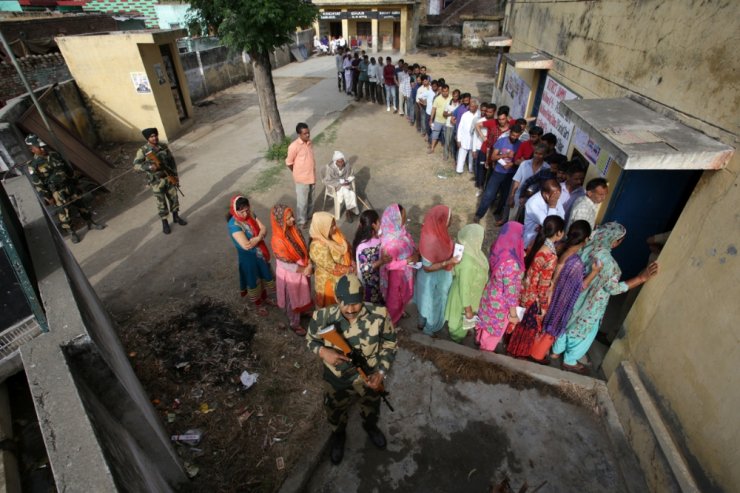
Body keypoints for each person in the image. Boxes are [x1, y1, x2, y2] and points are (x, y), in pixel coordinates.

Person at [306, 274, 397, 465]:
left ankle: (370, 426)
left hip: (370, 376)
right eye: (344, 303)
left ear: (363, 298)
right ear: (337, 299)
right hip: (337, 379)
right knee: (335, 410)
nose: (350, 309)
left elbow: (390, 343)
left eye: (355, 303)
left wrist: (380, 373)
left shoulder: (380, 315)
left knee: (371, 405)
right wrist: (323, 351)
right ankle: (338, 436)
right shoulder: (322, 317)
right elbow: (310, 340)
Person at [552, 223, 659, 374]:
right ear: (615, 241)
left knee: (566, 322)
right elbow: (613, 289)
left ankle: (556, 351)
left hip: (572, 297)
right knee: (582, 332)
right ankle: (569, 361)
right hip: (591, 305)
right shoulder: (609, 264)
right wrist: (641, 278)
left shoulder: (585, 245)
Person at [529, 220, 601, 362]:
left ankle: (531, 349)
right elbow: (579, 287)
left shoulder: (559, 247)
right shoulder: (576, 264)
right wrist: (594, 273)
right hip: (558, 302)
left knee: (539, 326)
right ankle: (536, 355)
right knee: (550, 329)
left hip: (546, 295)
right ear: (586, 239)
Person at [25, 134, 105, 243]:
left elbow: (67, 170)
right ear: (32, 149)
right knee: (64, 214)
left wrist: (75, 182)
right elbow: (38, 184)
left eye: (43, 146)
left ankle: (91, 223)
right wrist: (48, 197)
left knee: (81, 205)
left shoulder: (54, 155)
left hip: (69, 185)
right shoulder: (33, 165)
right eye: (39, 147)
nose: (43, 149)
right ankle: (72, 232)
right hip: (57, 192)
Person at [507, 215, 564, 358]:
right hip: (534, 299)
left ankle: (510, 346)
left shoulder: (537, 244)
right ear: (558, 233)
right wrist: (544, 306)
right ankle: (517, 353)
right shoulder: (550, 256)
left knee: (518, 324)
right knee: (527, 330)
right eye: (563, 231)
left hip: (524, 292)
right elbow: (543, 285)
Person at [475, 222, 525, 352]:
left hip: (490, 294)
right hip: (501, 304)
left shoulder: (498, 248)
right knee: (492, 333)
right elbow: (510, 292)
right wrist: (513, 314)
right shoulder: (511, 264)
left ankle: (480, 341)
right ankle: (484, 353)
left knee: (486, 324)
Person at [415, 205, 460, 337]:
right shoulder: (433, 240)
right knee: (433, 305)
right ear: (442, 220)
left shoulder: (430, 230)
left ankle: (421, 322)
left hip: (426, 279)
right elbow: (427, 267)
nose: (451, 221)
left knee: (425, 302)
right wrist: (448, 262)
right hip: (433, 279)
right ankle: (429, 330)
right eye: (449, 218)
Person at [133, 128, 187, 235]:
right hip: (156, 181)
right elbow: (136, 166)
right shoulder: (143, 150)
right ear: (148, 138)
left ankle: (176, 217)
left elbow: (172, 161)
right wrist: (149, 166)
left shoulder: (163, 146)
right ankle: (165, 222)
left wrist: (175, 176)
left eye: (155, 135)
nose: (155, 138)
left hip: (169, 177)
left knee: (174, 198)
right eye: (152, 136)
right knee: (161, 202)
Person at [271, 203, 313, 336]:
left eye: (292, 216)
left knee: (303, 294)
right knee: (293, 300)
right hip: (291, 274)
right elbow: (285, 264)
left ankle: (303, 311)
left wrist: (309, 263)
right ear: (280, 221)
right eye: (288, 219)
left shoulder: (294, 230)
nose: (293, 220)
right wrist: (304, 269)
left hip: (302, 268)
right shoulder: (277, 240)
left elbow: (304, 249)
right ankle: (294, 323)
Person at [227, 195, 274, 314]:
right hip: (249, 259)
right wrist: (260, 237)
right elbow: (246, 245)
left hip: (260, 255)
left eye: (246, 210)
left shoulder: (251, 214)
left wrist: (257, 238)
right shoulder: (234, 225)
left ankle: (265, 297)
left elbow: (264, 228)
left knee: (263, 276)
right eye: (241, 211)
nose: (245, 214)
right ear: (234, 210)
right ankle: (258, 305)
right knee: (254, 281)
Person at [444, 224, 489, 343]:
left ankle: (461, 334)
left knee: (463, 321)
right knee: (458, 321)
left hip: (470, 296)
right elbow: (464, 288)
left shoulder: (474, 252)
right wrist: (468, 309)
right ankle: (456, 341)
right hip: (463, 299)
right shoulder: (467, 264)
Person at [474, 124, 523, 223]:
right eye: (513, 135)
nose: (514, 137)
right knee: (489, 194)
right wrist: (505, 155)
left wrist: (512, 164)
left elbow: (520, 160)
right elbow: (493, 157)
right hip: (498, 172)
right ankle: (479, 214)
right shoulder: (501, 141)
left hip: (510, 174)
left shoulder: (520, 145)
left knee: (504, 196)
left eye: (517, 136)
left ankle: (497, 213)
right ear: (510, 133)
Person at [379, 204, 418, 325]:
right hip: (397, 276)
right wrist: (407, 261)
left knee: (405, 295)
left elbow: (409, 243)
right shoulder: (390, 242)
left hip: (406, 273)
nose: (405, 219)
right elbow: (389, 265)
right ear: (395, 219)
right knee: (394, 300)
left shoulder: (400, 232)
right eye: (403, 217)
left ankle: (401, 311)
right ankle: (392, 323)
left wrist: (415, 254)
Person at [309, 212, 353, 308]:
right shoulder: (317, 246)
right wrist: (351, 269)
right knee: (332, 310)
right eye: (331, 226)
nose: (335, 228)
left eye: (334, 225)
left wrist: (351, 261)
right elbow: (332, 268)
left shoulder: (334, 234)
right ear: (322, 228)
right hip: (330, 283)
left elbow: (347, 246)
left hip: (341, 278)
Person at [353, 210, 390, 304]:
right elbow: (363, 268)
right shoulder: (364, 246)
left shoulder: (369, 239)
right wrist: (380, 262)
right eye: (379, 222)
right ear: (373, 225)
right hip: (369, 286)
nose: (380, 224)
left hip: (376, 282)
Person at [285, 122, 316, 229]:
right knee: (302, 202)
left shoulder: (309, 142)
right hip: (302, 179)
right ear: (299, 134)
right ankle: (302, 221)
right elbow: (289, 163)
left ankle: (309, 216)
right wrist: (296, 172)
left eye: (308, 133)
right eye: (305, 134)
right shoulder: (294, 146)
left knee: (311, 199)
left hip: (311, 176)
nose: (307, 135)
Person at [508, 143, 550, 221]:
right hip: (518, 197)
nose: (537, 156)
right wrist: (512, 196)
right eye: (536, 153)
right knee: (512, 221)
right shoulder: (524, 164)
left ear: (545, 155)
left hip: (534, 202)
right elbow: (517, 181)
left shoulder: (547, 168)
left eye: (540, 154)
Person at [523, 178, 565, 247]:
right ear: (545, 194)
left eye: (558, 197)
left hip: (547, 242)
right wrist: (552, 207)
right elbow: (550, 226)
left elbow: (562, 217)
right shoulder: (533, 203)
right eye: (555, 197)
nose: (557, 199)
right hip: (531, 243)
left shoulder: (554, 197)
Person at [323, 151, 359, 222]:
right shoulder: (330, 168)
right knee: (348, 192)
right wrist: (339, 183)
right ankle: (349, 211)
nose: (341, 163)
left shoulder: (347, 165)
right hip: (336, 187)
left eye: (342, 161)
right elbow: (326, 181)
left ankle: (349, 210)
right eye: (339, 162)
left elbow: (350, 174)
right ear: (335, 161)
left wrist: (347, 180)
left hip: (345, 185)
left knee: (349, 193)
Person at [456, 98, 479, 174]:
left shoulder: (479, 115)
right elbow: (460, 128)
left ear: (476, 107)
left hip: (474, 140)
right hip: (464, 139)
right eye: (470, 106)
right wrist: (459, 139)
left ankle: (471, 169)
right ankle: (459, 170)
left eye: (473, 106)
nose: (470, 108)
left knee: (472, 156)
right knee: (461, 155)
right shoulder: (465, 115)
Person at [428, 84, 451, 154]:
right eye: (443, 91)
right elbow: (433, 109)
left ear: (448, 91)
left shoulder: (451, 98)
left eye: (446, 91)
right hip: (438, 120)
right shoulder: (437, 98)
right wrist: (431, 119)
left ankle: (446, 148)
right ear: (441, 91)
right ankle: (432, 148)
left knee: (446, 135)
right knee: (435, 134)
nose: (445, 93)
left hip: (447, 121)